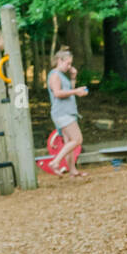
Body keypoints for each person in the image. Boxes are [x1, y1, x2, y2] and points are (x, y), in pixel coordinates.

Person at [46, 47, 89, 178]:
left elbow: (69, 91)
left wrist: (73, 78)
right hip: (62, 113)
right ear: (59, 60)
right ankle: (55, 162)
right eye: (68, 63)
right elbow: (58, 93)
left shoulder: (61, 76)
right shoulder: (54, 75)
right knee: (77, 139)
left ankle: (73, 171)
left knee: (69, 141)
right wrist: (76, 91)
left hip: (67, 112)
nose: (69, 66)